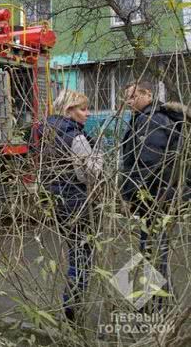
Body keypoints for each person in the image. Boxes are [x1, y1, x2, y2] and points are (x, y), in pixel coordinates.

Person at [120, 81, 190, 310]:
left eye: (132, 97)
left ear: (147, 94)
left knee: (153, 251)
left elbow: (150, 164)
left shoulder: (151, 120)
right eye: (126, 99)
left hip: (155, 199)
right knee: (152, 250)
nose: (128, 103)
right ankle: (156, 303)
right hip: (157, 198)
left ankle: (160, 307)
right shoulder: (150, 117)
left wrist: (132, 196)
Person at [39, 90, 103, 322]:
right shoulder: (74, 137)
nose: (88, 113)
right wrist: (98, 155)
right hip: (79, 203)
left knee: (75, 252)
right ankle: (73, 308)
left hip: (58, 202)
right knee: (82, 257)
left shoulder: (45, 132)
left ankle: (73, 305)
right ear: (69, 110)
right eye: (83, 109)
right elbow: (88, 174)